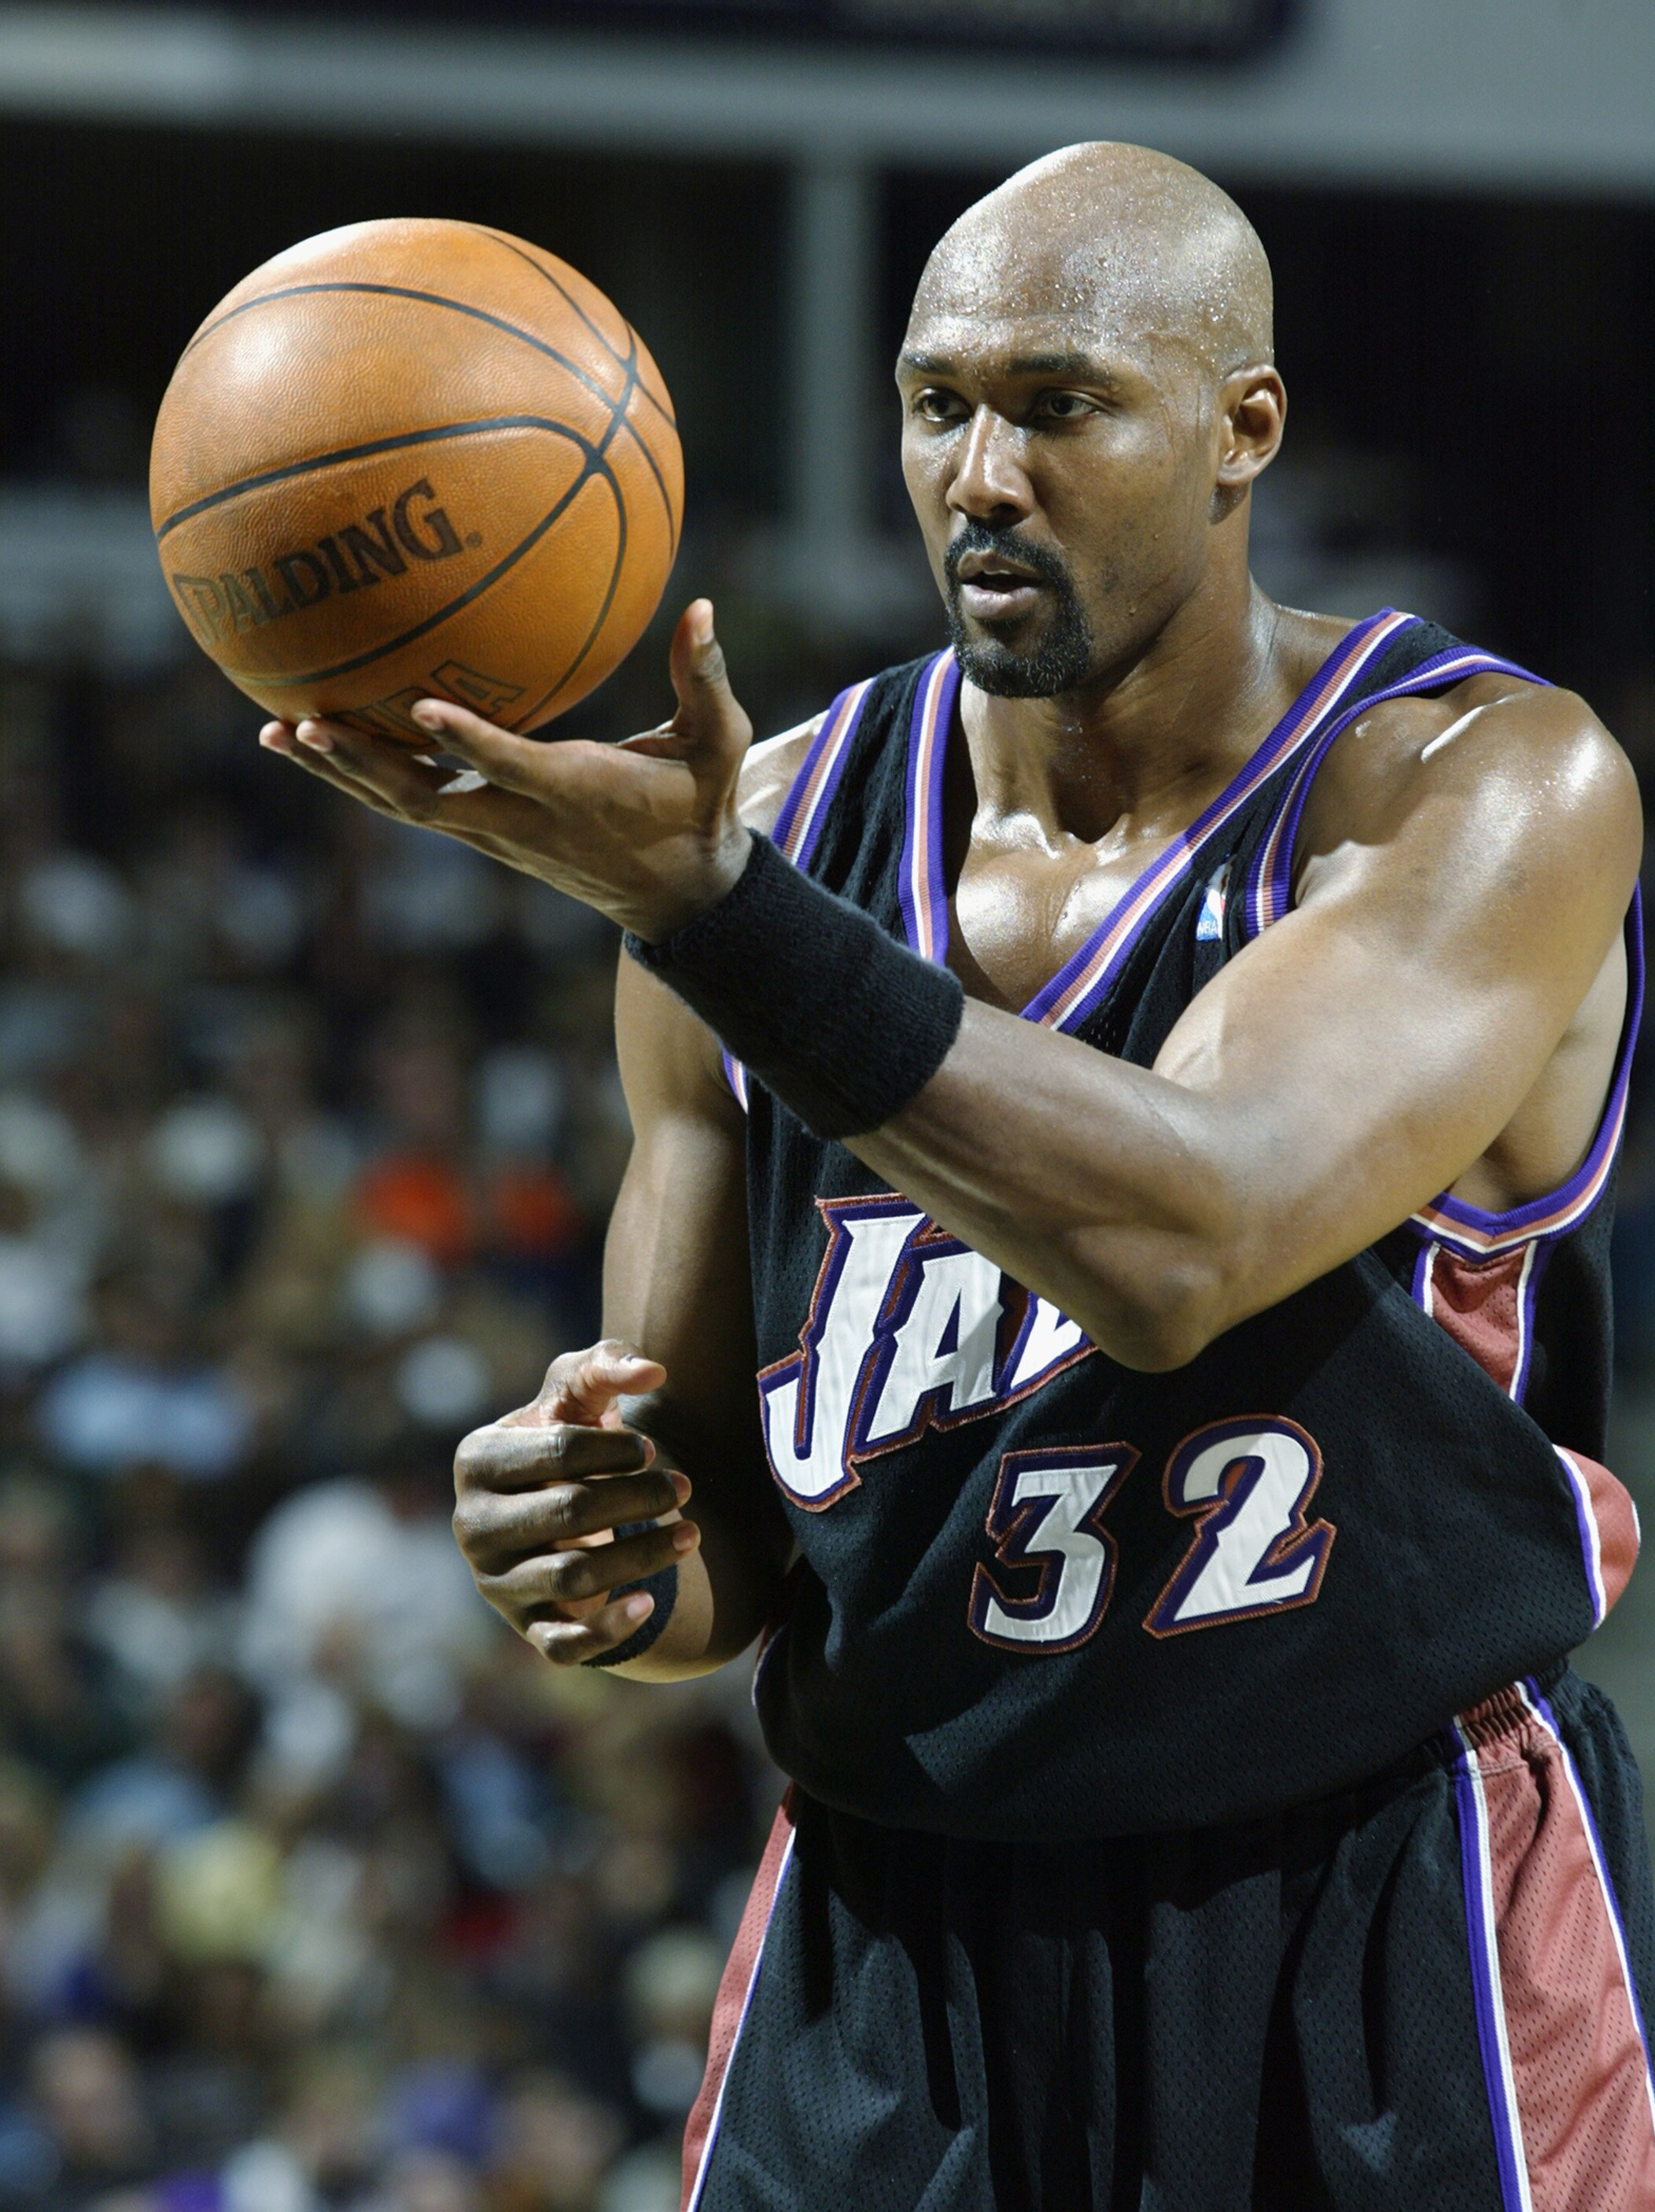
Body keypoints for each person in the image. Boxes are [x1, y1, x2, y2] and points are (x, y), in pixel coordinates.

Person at [260, 144, 1654, 2210]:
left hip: (1379, 1907)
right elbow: (722, 1555)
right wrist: (604, 1556)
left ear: (1242, 428)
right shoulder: (765, 833)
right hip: (895, 1940)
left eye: (1059, 405)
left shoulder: (1478, 785)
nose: (980, 476)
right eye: (937, 406)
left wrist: (719, 920)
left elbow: (1190, 1235)